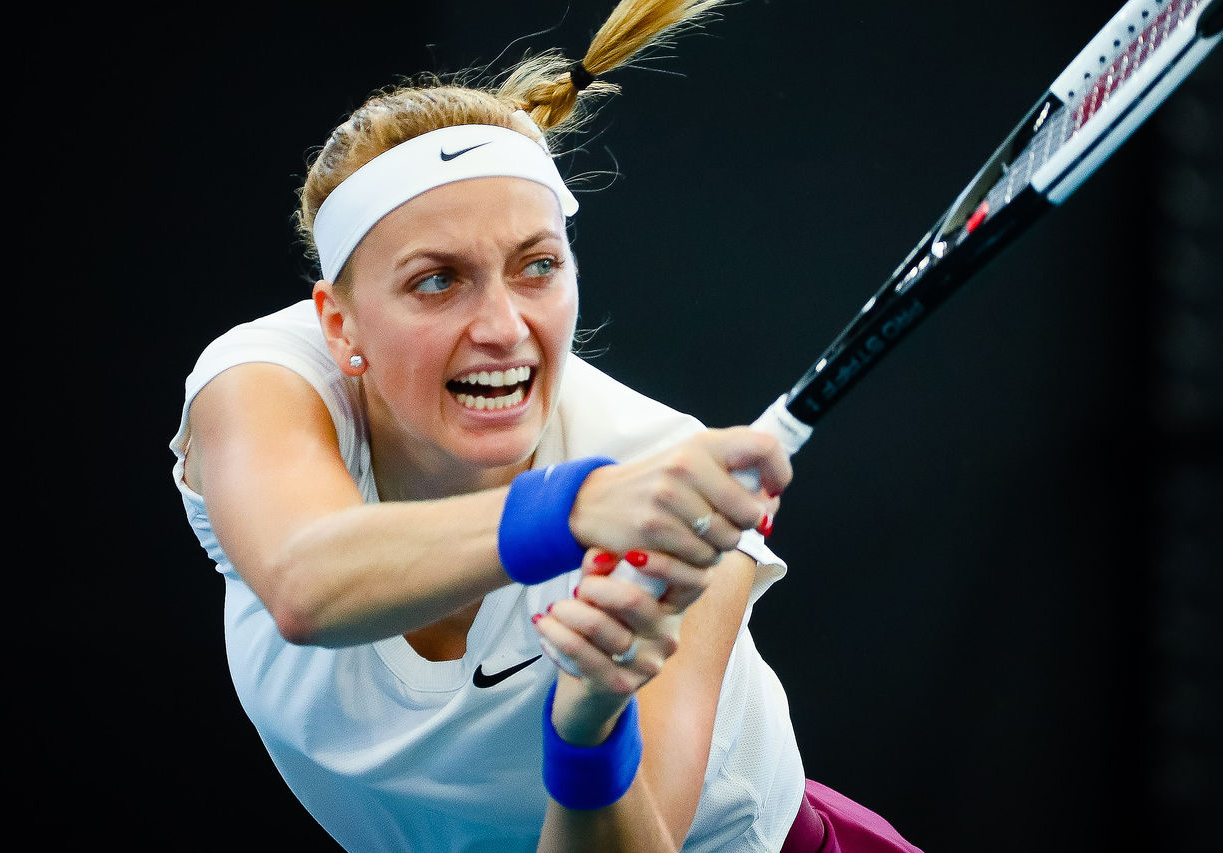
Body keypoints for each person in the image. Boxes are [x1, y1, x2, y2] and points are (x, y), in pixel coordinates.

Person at [170, 1, 924, 850]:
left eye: (536, 266)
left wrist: (590, 726)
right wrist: (577, 506)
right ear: (337, 323)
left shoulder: (667, 479)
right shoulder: (266, 379)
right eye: (436, 280)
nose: (503, 327)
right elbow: (305, 580)